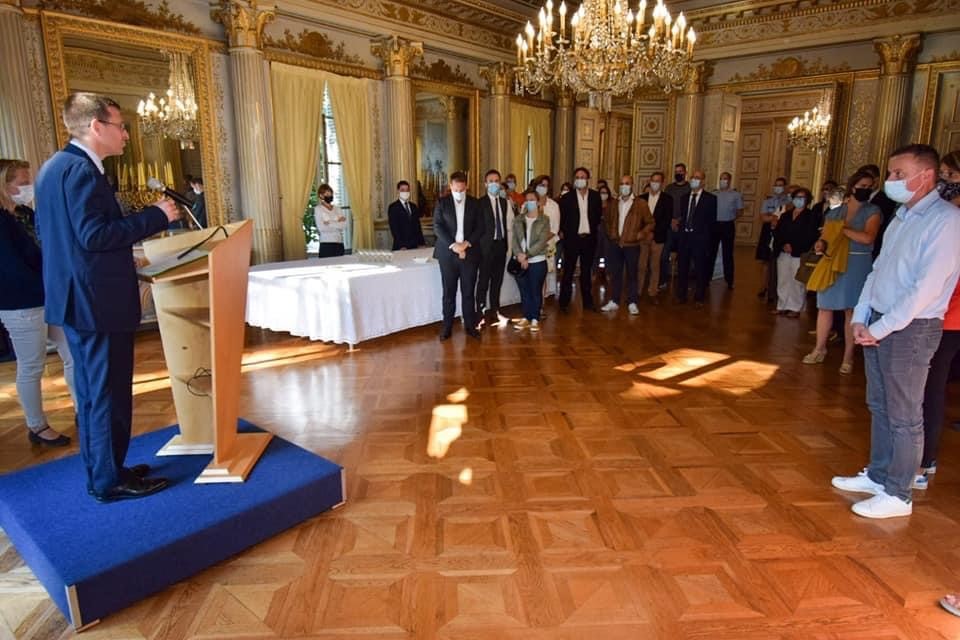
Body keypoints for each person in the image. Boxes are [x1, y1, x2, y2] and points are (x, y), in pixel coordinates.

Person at [36, 92, 179, 502]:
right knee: (106, 394)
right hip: (96, 303)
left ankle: (106, 468)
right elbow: (94, 235)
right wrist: (155, 216)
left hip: (80, 297)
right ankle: (108, 481)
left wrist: (116, 260)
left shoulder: (54, 167)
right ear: (97, 127)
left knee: (95, 393)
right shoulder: (82, 170)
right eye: (120, 126)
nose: (126, 135)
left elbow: (62, 237)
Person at [832, 144, 960, 519]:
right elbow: (879, 269)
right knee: (879, 404)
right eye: (890, 173)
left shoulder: (946, 222)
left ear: (926, 176)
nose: (890, 181)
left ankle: (898, 493)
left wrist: (882, 327)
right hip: (879, 321)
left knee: (905, 413)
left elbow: (926, 289)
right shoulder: (902, 216)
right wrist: (861, 316)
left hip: (912, 329)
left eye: (898, 174)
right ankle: (879, 474)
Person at [0, 158, 75, 447]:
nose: (28, 186)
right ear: (4, 185)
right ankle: (37, 425)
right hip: (21, 302)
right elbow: (12, 268)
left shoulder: (24, 214)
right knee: (32, 366)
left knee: (72, 353)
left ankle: (83, 408)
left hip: (48, 295)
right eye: (22, 182)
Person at [803, 171, 881, 374]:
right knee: (824, 306)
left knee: (851, 311)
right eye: (862, 186)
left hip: (857, 262)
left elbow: (868, 238)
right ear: (852, 187)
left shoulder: (872, 211)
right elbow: (826, 236)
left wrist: (843, 230)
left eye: (869, 186)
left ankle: (848, 357)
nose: (866, 189)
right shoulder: (836, 212)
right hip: (832, 260)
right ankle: (819, 349)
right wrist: (820, 244)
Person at [915, 149, 960, 490]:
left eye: (951, 175)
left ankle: (922, 460)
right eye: (942, 174)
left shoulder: (951, 220)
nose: (945, 181)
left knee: (929, 387)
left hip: (948, 315)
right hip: (942, 311)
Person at [433, 171, 483, 341]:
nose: (459, 193)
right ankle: (447, 327)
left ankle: (470, 326)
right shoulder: (442, 203)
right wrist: (454, 245)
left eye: (462, 190)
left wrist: (466, 244)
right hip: (448, 254)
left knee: (468, 292)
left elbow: (480, 227)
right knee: (449, 292)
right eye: (456, 190)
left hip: (470, 253)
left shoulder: (475, 203)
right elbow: (438, 226)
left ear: (466, 186)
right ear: (451, 186)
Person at [601, 175, 653, 315]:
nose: (624, 186)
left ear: (632, 185)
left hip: (632, 245)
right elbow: (607, 221)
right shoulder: (613, 203)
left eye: (627, 183)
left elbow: (650, 222)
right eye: (622, 183)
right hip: (616, 244)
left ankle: (632, 302)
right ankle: (614, 300)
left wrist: (641, 234)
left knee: (632, 274)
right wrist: (611, 234)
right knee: (615, 273)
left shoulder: (640, 204)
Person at [558, 167, 602, 312]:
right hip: (572, 240)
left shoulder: (595, 196)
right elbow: (563, 219)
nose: (580, 180)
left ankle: (588, 302)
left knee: (586, 271)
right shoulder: (566, 198)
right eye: (577, 177)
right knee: (568, 271)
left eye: (582, 177)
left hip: (589, 239)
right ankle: (564, 303)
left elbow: (597, 217)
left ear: (587, 179)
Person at [771, 187, 818, 317]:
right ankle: (782, 305)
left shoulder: (811, 216)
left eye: (802, 197)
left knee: (797, 281)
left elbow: (810, 236)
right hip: (783, 251)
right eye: (797, 197)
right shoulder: (786, 215)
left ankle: (795, 307)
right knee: (783, 279)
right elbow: (778, 232)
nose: (799, 200)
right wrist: (784, 244)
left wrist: (795, 246)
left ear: (807, 200)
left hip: (800, 253)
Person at [674, 169, 717, 306]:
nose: (694, 179)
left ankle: (699, 297)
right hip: (684, 237)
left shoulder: (710, 199)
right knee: (683, 267)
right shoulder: (684, 198)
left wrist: (707, 241)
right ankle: (681, 295)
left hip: (700, 239)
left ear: (703, 181)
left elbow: (711, 222)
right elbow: (683, 217)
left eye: (697, 177)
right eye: (692, 177)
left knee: (700, 268)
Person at [511, 189, 551, 331]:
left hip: (537, 261)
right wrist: (519, 255)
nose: (529, 202)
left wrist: (527, 255)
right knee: (524, 291)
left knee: (535, 290)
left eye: (532, 200)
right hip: (520, 260)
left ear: (538, 202)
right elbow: (515, 240)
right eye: (527, 200)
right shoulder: (518, 219)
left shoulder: (544, 220)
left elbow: (541, 242)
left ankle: (535, 318)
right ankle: (526, 316)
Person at [476, 169, 510, 325]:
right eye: (491, 181)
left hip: (501, 246)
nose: (494, 184)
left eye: (497, 181)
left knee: (497, 281)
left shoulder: (504, 202)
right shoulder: (479, 203)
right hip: (485, 249)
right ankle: (480, 313)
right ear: (485, 184)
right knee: (483, 282)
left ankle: (495, 311)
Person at [639, 171, 673, 304]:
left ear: (662, 183)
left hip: (658, 237)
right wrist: (645, 232)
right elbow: (638, 219)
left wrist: (653, 233)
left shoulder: (667, 199)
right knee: (641, 265)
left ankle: (653, 292)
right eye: (653, 180)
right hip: (643, 237)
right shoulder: (641, 198)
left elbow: (666, 220)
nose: (654, 183)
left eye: (657, 181)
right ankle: (637, 291)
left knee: (655, 266)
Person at [756, 176, 790, 301]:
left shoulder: (788, 201)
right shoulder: (768, 201)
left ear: (785, 187)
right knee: (765, 260)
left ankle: (776, 288)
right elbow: (763, 217)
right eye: (776, 185)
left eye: (780, 185)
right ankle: (764, 286)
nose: (778, 187)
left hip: (782, 231)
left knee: (778, 261)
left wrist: (774, 217)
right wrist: (775, 218)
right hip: (767, 231)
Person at [710, 171, 743, 290]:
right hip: (715, 225)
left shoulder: (735, 195)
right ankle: (708, 276)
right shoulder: (714, 194)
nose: (723, 181)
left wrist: (731, 217)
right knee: (711, 252)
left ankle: (729, 280)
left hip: (728, 225)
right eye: (721, 178)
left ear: (729, 180)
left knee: (727, 254)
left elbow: (740, 211)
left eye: (725, 179)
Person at [858, 163, 898, 260]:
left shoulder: (887, 200)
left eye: (867, 177)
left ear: (876, 180)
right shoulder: (857, 199)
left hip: (875, 250)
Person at [661, 163, 691, 289]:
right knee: (664, 254)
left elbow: (690, 207)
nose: (678, 173)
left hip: (683, 227)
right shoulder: (669, 188)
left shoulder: (690, 188)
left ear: (685, 173)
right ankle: (663, 280)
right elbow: (665, 206)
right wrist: (671, 220)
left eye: (680, 171)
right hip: (669, 226)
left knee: (684, 256)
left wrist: (679, 221)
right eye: (676, 171)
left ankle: (682, 282)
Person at [533, 174, 560, 302]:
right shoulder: (528, 203)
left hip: (547, 244)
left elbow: (555, 229)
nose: (543, 188)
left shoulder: (554, 206)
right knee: (533, 275)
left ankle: (541, 303)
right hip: (532, 245)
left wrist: (542, 240)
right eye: (540, 185)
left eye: (545, 185)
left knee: (542, 275)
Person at [387, 180, 424, 250]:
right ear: (398, 191)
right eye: (403, 190)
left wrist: (422, 243)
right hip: (401, 247)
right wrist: (401, 245)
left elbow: (418, 227)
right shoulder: (393, 207)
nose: (405, 192)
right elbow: (394, 229)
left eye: (407, 190)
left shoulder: (414, 206)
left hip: (415, 246)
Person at [314, 183, 347, 258]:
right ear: (321, 196)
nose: (330, 195)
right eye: (327, 193)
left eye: (331, 193)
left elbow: (344, 225)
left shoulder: (337, 208)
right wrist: (338, 222)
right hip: (326, 244)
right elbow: (322, 228)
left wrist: (329, 223)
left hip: (339, 243)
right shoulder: (318, 209)